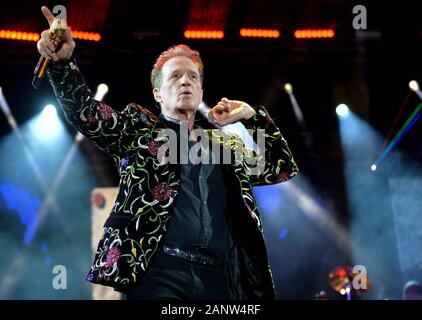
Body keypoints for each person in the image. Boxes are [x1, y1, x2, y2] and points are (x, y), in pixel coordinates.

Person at [37, 6, 299, 300]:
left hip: (222, 277)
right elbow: (88, 113)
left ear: (200, 92)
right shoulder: (138, 130)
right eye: (175, 76)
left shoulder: (227, 145)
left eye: (192, 77)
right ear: (158, 93)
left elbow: (281, 168)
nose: (185, 81)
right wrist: (62, 66)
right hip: (159, 270)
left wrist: (252, 117)